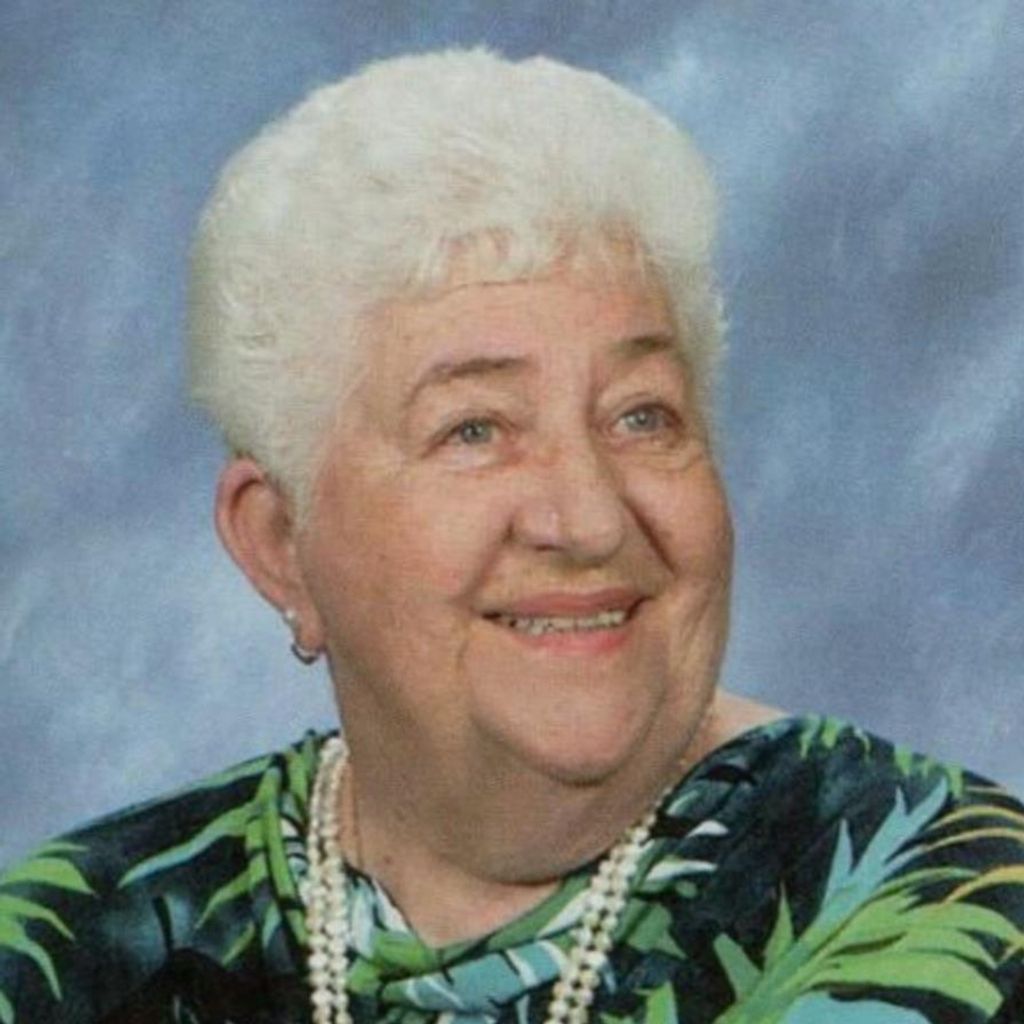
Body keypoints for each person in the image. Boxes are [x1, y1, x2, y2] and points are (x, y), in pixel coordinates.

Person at [1, 48, 1022, 1024]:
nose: (587, 519)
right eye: (475, 429)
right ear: (278, 541)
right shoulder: (74, 940)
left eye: (642, 416)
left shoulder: (951, 901)